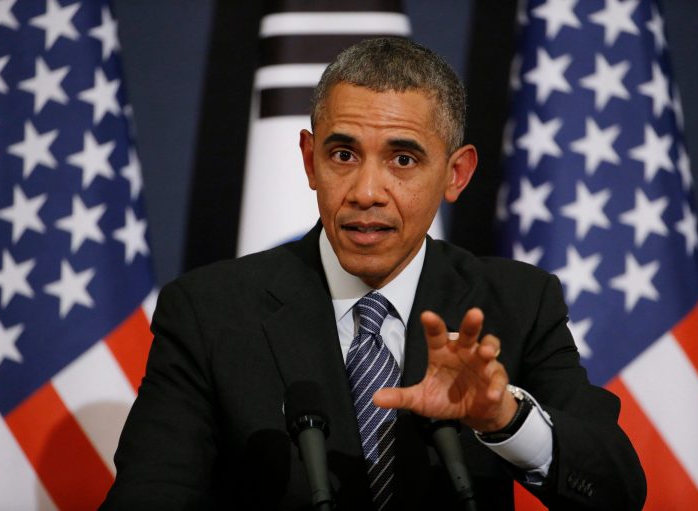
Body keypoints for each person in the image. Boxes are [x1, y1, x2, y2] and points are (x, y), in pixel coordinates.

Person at [102, 38, 645, 510]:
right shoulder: (209, 311)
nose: (365, 192)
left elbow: (618, 491)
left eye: (402, 160)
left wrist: (505, 418)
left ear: (456, 174)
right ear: (310, 159)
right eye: (343, 154)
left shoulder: (519, 302)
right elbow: (151, 494)